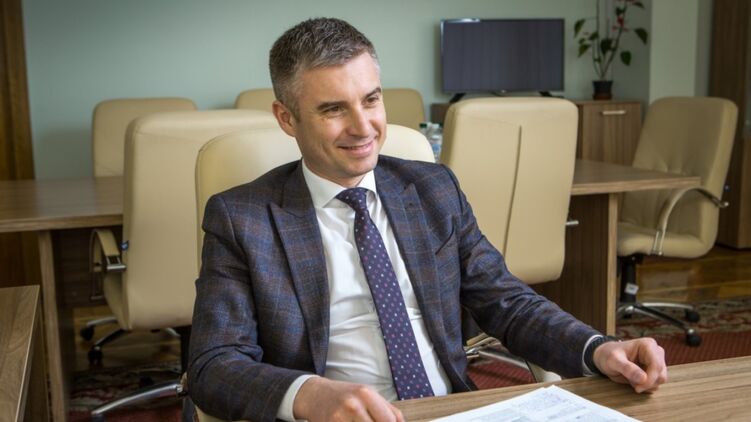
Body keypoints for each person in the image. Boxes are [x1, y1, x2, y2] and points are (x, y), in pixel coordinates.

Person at [187, 17, 667, 422]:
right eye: (333, 109)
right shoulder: (242, 218)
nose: (363, 127)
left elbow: (506, 302)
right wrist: (309, 395)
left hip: (453, 409)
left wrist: (597, 348)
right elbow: (213, 364)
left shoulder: (432, 188)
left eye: (371, 100)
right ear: (286, 118)